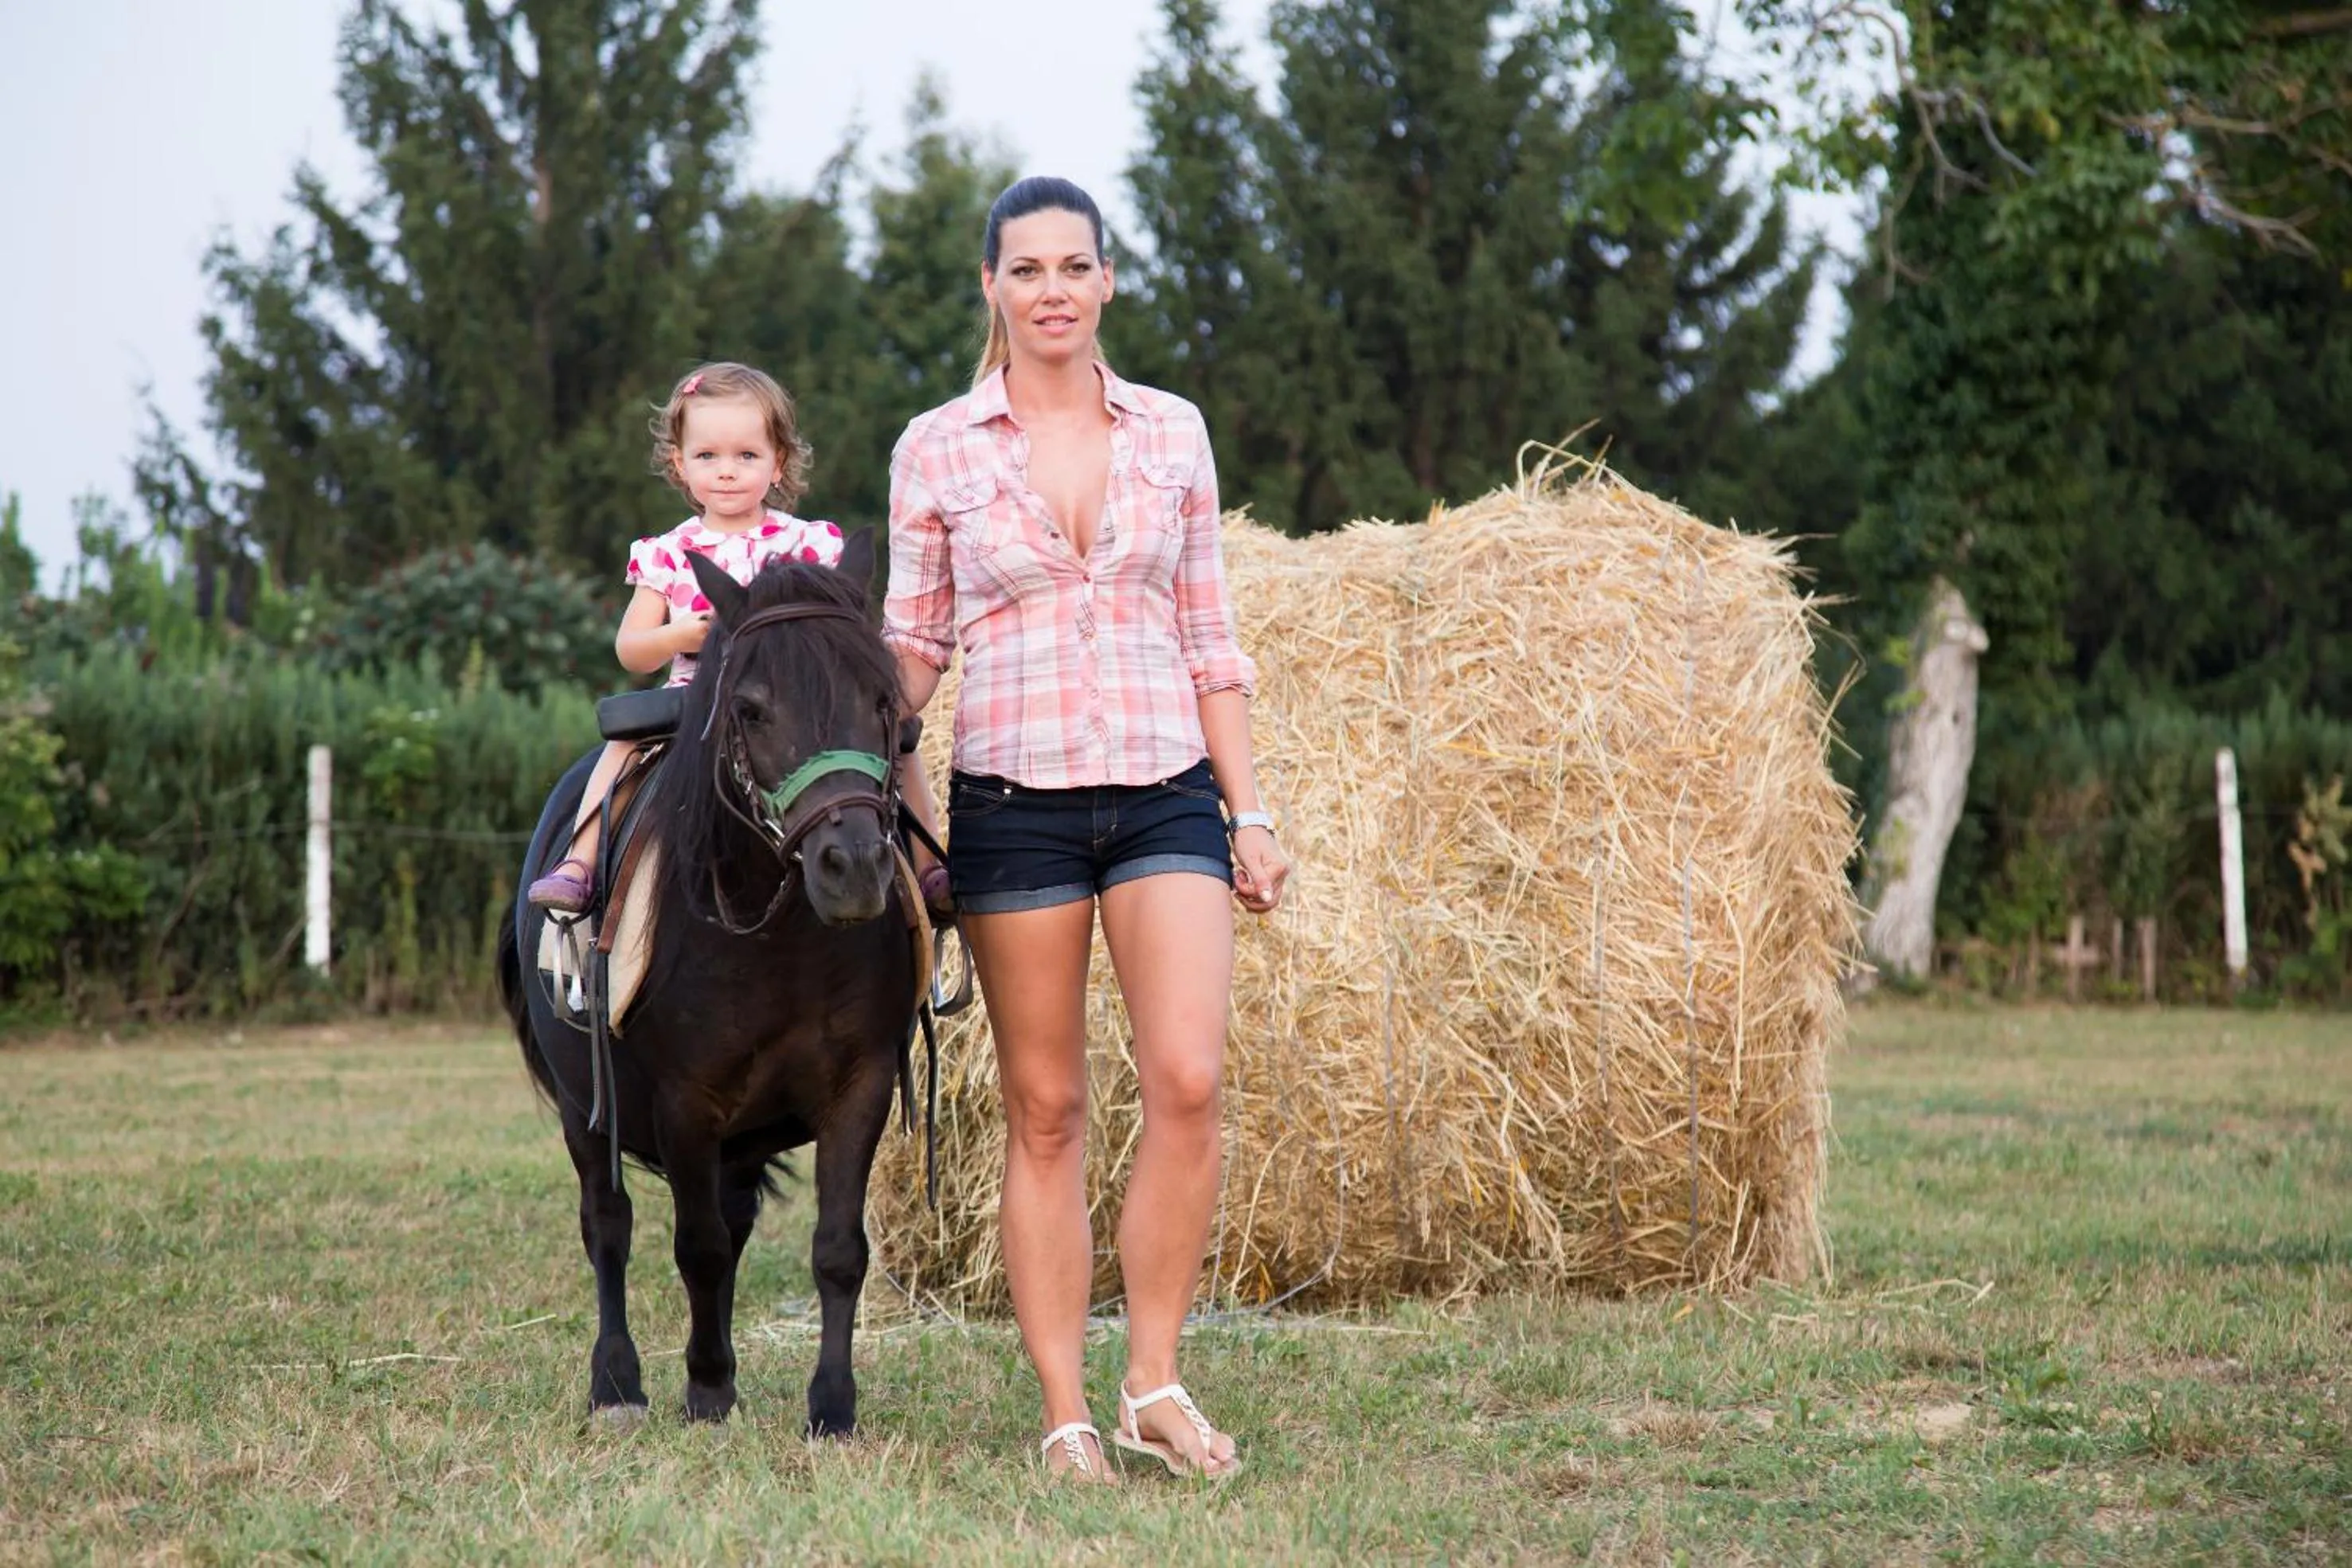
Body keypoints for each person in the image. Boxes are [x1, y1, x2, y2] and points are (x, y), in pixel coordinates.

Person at [883, 177, 1290, 1483]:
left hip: (1163, 780)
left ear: (1106, 281)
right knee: (1045, 1107)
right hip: (1012, 801)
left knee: (1185, 1077)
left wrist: (1250, 807)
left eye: (1075, 265)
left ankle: (1152, 1381)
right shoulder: (935, 447)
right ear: (990, 289)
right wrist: (857, 765)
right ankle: (1064, 1410)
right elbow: (912, 645)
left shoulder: (1172, 431)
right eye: (1026, 269)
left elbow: (1209, 638)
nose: (1051, 288)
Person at [528, 362, 894, 910]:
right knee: (623, 745)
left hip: (792, 707)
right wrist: (679, 632)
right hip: (693, 698)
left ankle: (923, 861)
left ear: (779, 464)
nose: (726, 471)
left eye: (746, 455)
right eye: (707, 456)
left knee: (893, 733)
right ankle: (579, 861)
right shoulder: (669, 552)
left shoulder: (810, 545)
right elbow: (630, 649)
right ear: (679, 464)